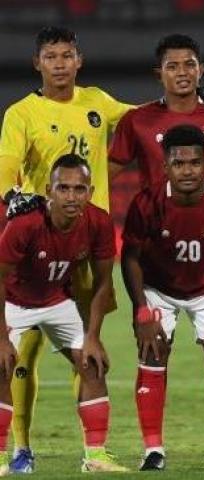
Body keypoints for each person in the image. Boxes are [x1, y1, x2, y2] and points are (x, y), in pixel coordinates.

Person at [0, 26, 204, 473]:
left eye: (66, 55)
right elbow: (8, 169)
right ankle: (20, 448)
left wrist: (203, 100)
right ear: (38, 64)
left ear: (78, 60)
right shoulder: (21, 113)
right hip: (37, 240)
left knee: (87, 348)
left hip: (89, 244)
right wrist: (13, 197)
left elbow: (155, 117)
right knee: (21, 353)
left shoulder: (98, 102)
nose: (59, 64)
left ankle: (95, 452)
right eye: (50, 57)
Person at [121, 125, 204, 470]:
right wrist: (142, 312)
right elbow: (130, 257)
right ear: (166, 168)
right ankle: (153, 452)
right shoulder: (146, 203)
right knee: (153, 352)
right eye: (179, 164)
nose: (187, 170)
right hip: (158, 288)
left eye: (195, 163)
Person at [0, 154, 126, 473]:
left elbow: (102, 283)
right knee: (2, 365)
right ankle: (1, 456)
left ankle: (95, 456)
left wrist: (93, 336)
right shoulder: (25, 224)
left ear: (91, 190)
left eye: (79, 189)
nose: (71, 196)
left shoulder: (97, 221)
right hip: (13, 302)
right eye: (63, 188)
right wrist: (2, 337)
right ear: (48, 190)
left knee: (93, 364)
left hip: (58, 301)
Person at [108, 33, 204, 188]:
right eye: (172, 67)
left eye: (189, 65)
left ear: (201, 70)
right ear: (159, 75)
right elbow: (101, 178)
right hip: (155, 213)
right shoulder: (136, 120)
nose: (182, 72)